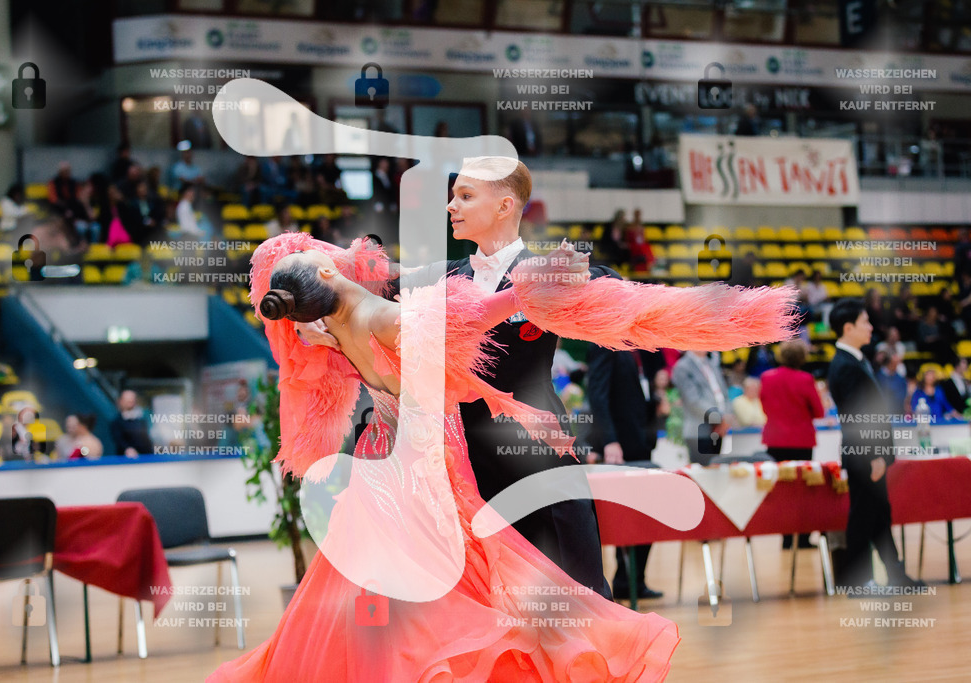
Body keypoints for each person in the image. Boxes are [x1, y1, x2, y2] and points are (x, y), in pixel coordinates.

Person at [209, 224, 796, 681]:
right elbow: (476, 324)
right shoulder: (382, 314)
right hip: (428, 462)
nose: (337, 259)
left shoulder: (325, 333)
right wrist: (528, 289)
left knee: (388, 595)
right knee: (472, 583)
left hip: (379, 464)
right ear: (329, 282)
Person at [827, 298, 923, 591]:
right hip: (864, 455)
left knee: (880, 515)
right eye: (865, 321)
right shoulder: (846, 365)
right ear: (848, 327)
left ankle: (895, 575)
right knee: (863, 516)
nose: (871, 327)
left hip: (868, 454)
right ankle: (857, 581)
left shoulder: (856, 360)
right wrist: (875, 456)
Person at [585, 344, 663, 600]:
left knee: (644, 515)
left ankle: (632, 581)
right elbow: (597, 395)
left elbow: (633, 396)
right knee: (621, 518)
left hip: (639, 444)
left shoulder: (636, 349)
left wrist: (655, 404)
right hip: (618, 447)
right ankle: (623, 581)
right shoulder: (603, 346)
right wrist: (609, 440)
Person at [759, 340, 824, 549]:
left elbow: (764, 405)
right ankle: (803, 538)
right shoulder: (805, 379)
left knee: (781, 489)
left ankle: (786, 538)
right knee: (803, 489)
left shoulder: (767, 378)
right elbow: (819, 411)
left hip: (775, 440)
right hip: (801, 440)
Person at [672, 350, 733, 465]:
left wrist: (727, 416)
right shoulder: (683, 366)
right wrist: (720, 417)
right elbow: (693, 401)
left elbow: (724, 393)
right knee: (702, 473)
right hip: (698, 429)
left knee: (714, 470)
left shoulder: (711, 363)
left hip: (717, 428)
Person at [111, 390, 152, 457]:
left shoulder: (142, 419)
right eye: (127, 401)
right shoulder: (117, 422)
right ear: (120, 402)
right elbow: (119, 440)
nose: (130, 403)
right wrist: (127, 449)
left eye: (132, 401)